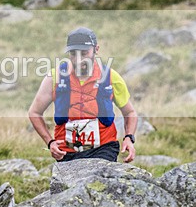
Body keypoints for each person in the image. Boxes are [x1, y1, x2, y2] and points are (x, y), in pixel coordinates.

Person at [28, 27, 138, 163]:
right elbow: (34, 112)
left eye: (84, 53)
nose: (79, 59)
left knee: (98, 176)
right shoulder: (55, 77)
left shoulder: (111, 77)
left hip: (104, 148)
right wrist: (50, 142)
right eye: (73, 54)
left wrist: (129, 138)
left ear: (96, 49)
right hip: (66, 152)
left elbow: (130, 112)